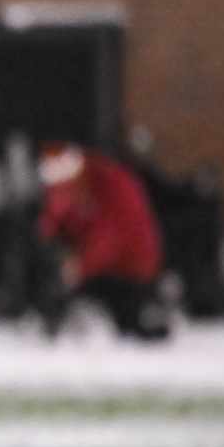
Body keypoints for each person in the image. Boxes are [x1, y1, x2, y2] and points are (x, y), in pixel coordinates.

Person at [36, 143, 170, 341]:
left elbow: (111, 238)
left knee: (130, 325)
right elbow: (52, 225)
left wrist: (78, 268)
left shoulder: (112, 184)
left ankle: (145, 313)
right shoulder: (67, 190)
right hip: (93, 266)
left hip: (130, 271)